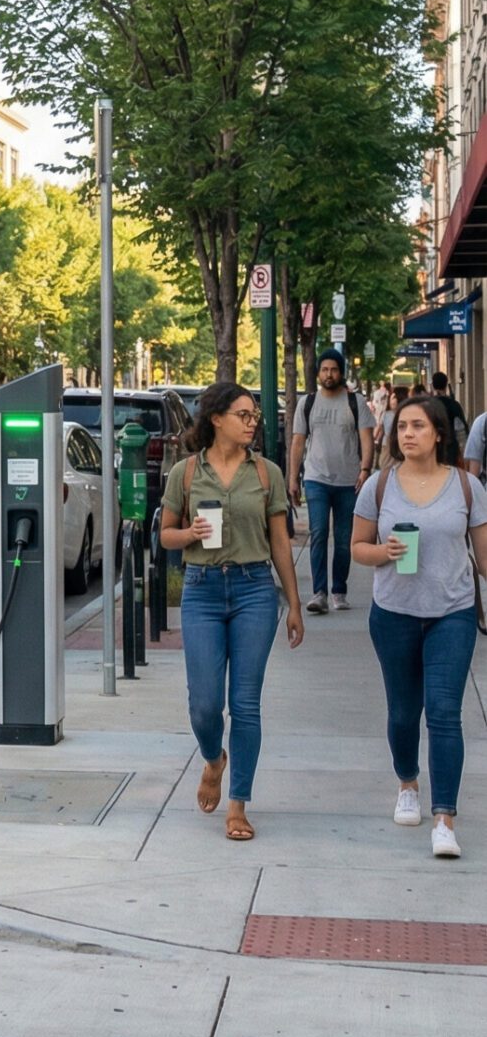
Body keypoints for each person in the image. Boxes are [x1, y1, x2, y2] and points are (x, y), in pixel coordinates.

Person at [160, 382, 304, 844]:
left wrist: (294, 603)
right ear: (216, 419)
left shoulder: (266, 473)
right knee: (204, 704)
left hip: (254, 591)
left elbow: (280, 541)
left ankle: (238, 804)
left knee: (245, 704)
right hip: (201, 590)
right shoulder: (185, 473)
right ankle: (213, 759)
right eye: (243, 414)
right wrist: (190, 535)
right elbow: (165, 534)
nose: (252, 421)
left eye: (254, 415)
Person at [352, 392, 487, 860]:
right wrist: (382, 552)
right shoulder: (380, 486)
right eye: (402, 427)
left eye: (418, 427)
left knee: (445, 710)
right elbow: (358, 547)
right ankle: (407, 782)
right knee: (404, 712)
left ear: (438, 435)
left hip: (453, 612)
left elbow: (485, 559)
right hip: (394, 614)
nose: (407, 434)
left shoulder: (467, 488)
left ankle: (444, 818)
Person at [288, 350, 374, 613]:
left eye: (334, 369)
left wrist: (365, 469)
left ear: (341, 372)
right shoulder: (308, 403)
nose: (329, 374)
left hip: (349, 480)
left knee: (344, 536)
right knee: (319, 533)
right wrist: (293, 478)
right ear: (318, 373)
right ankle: (319, 593)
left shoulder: (354, 401)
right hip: (316, 478)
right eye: (324, 369)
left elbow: (366, 439)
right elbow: (298, 442)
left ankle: (339, 591)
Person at [431, 373, 468, 451]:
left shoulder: (427, 405)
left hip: (431, 446)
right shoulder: (454, 405)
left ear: (432, 386)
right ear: (446, 386)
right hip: (450, 447)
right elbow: (461, 430)